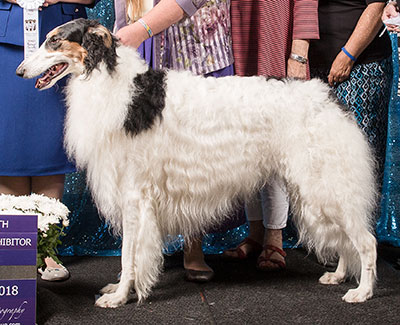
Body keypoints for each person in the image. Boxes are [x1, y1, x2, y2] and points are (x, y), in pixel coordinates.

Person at [114, 0, 244, 282]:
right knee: (145, 170)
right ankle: (140, 257)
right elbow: (123, 12)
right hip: (145, 56)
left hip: (198, 52)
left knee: (194, 162)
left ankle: (193, 248)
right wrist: (121, 40)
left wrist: (139, 29)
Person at [0, 0, 95, 281]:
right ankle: (13, 247)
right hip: (6, 36)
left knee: (50, 140)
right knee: (9, 136)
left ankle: (47, 250)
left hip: (63, 41)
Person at [222, 0, 319, 271]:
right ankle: (254, 233)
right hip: (235, 33)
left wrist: (299, 53)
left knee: (275, 138)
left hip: (275, 35)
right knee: (245, 139)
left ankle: (274, 237)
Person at [309, 0, 392, 189]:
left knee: (355, 160)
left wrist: (348, 55)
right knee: (317, 158)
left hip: (361, 67)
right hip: (312, 69)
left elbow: (376, 5)